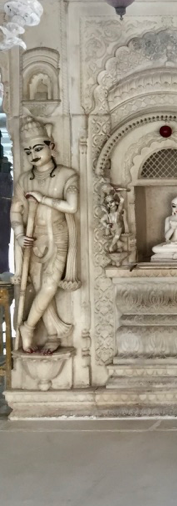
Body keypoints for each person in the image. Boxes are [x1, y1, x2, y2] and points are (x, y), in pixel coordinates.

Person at [11, 117, 79, 354]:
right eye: (28, 151)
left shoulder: (67, 175)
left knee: (49, 287)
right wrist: (19, 234)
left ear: (52, 146)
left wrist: (42, 199)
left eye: (38, 148)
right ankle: (52, 335)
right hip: (33, 239)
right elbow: (16, 211)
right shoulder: (24, 180)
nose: (33, 155)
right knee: (41, 289)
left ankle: (28, 327)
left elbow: (72, 206)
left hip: (58, 237)